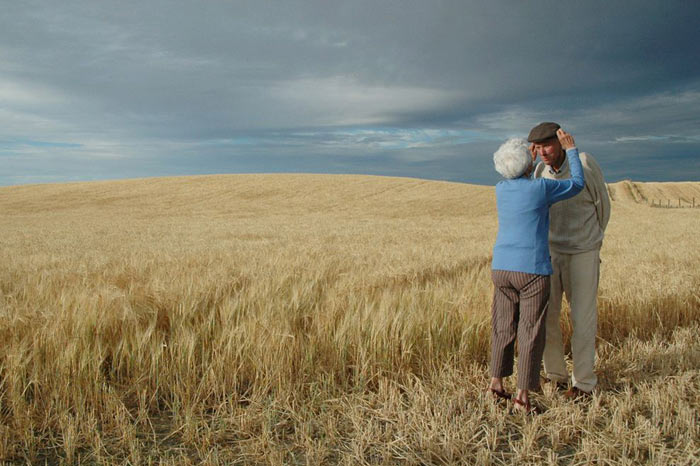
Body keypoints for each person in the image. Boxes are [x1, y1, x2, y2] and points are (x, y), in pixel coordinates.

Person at [489, 128, 584, 414]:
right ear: (529, 164)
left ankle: (495, 384)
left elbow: (518, 180)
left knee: (502, 326)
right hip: (531, 270)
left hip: (501, 268)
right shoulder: (541, 188)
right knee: (530, 331)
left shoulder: (501, 188)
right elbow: (577, 184)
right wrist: (573, 151)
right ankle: (522, 397)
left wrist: (524, 163)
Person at [528, 121, 611, 399]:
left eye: (548, 145)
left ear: (562, 142)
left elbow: (603, 207)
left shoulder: (585, 163)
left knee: (582, 317)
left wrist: (590, 242)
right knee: (548, 317)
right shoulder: (539, 170)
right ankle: (556, 376)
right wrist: (527, 169)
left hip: (583, 252)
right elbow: (529, 202)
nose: (543, 152)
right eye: (538, 147)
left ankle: (584, 383)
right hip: (551, 253)